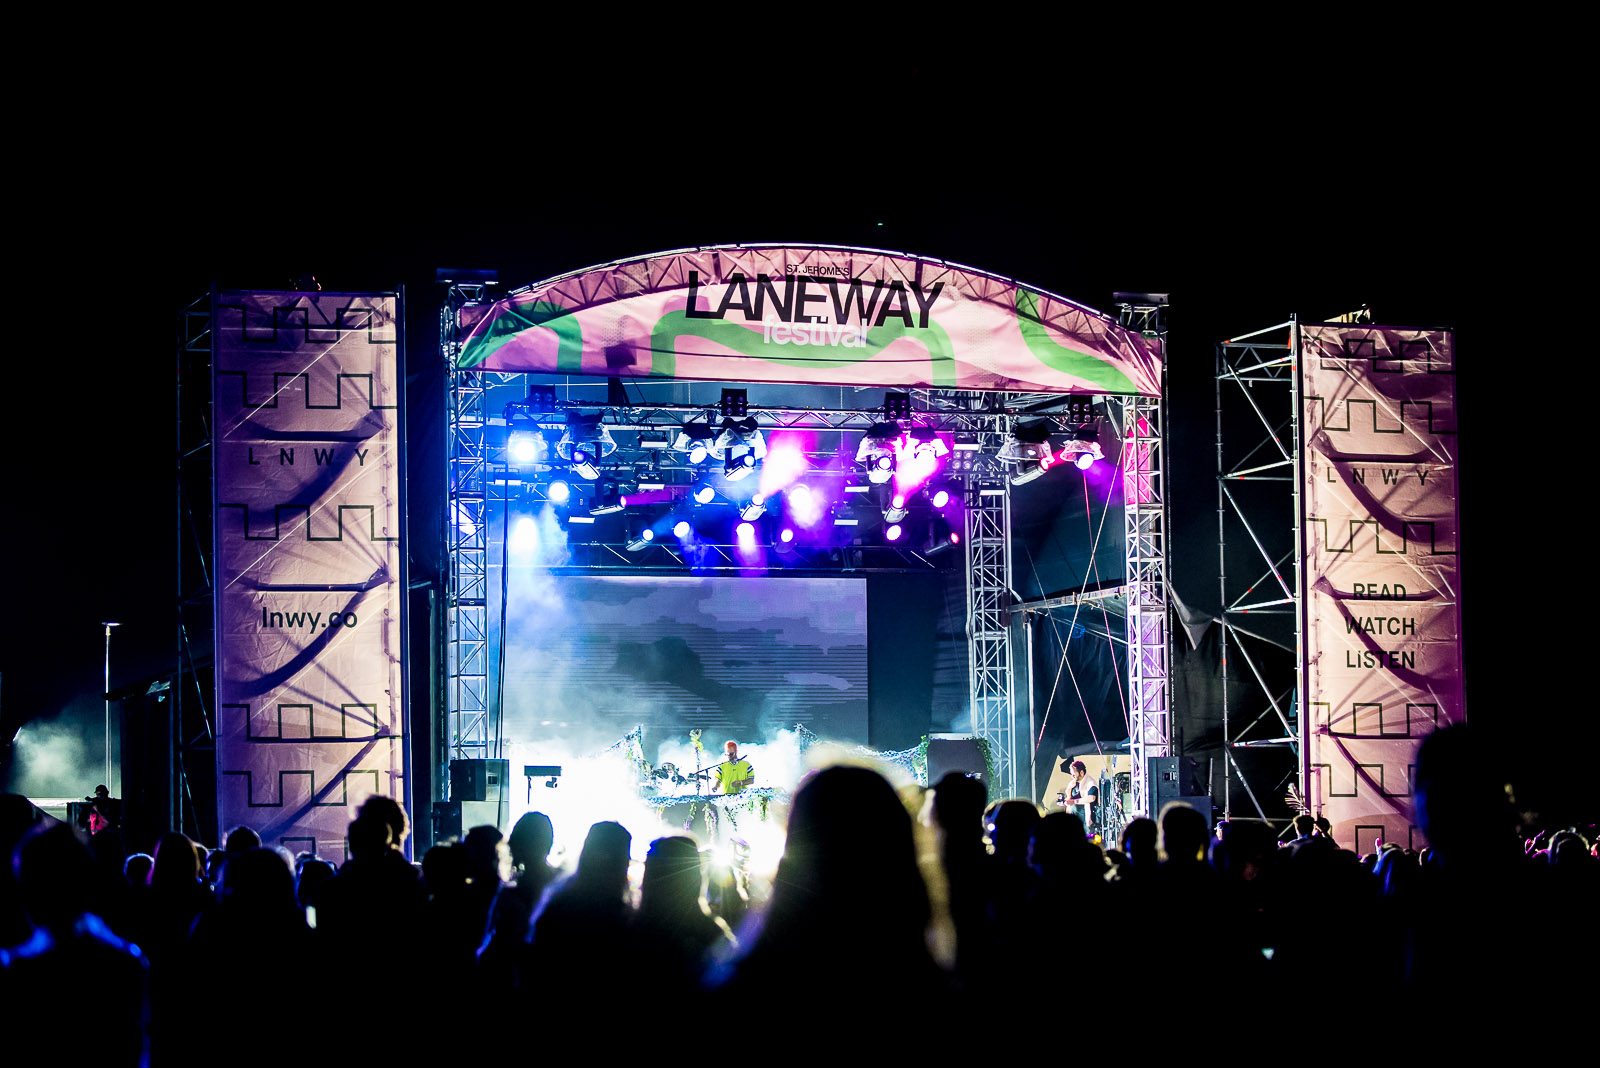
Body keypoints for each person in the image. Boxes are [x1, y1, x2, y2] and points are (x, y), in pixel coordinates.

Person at [1061, 760, 1098, 830]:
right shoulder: (1074, 782)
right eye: (1071, 774)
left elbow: (1092, 798)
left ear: (1081, 772)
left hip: (1086, 819)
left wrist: (1075, 801)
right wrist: (1065, 801)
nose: (1072, 776)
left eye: (1074, 774)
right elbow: (1069, 798)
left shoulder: (1091, 783)